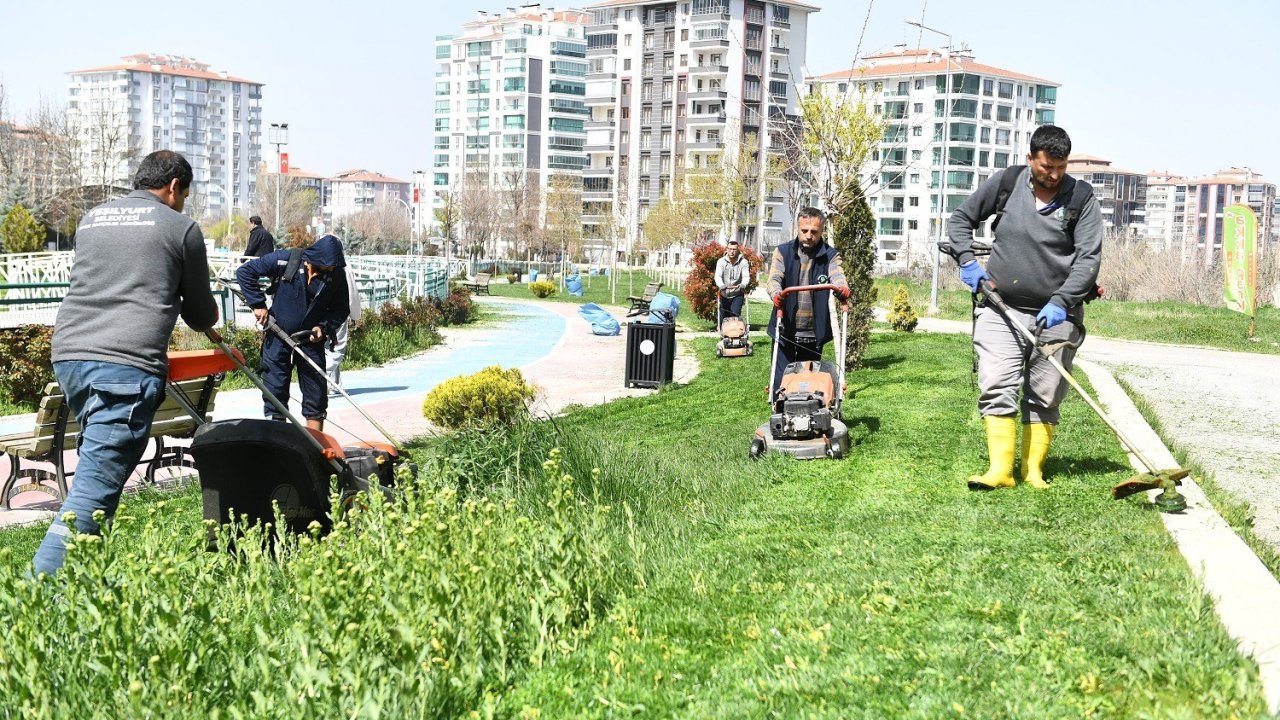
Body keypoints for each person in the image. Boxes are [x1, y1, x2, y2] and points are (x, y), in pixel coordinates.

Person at [33, 150, 219, 576]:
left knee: (96, 473)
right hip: (125, 367)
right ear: (174, 187)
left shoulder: (93, 219)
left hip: (71, 357)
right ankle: (38, 596)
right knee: (93, 493)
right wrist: (209, 318)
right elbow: (199, 314)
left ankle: (83, 581)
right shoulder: (181, 227)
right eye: (184, 195)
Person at [947, 125, 1102, 491]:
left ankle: (1033, 471)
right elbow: (960, 220)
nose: (1054, 175)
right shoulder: (1007, 183)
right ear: (1031, 158)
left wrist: (1062, 301)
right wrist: (968, 261)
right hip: (1001, 309)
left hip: (1057, 315)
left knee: (1046, 393)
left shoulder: (1082, 198)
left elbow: (1088, 259)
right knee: (997, 382)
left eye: (1061, 167)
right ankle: (1000, 471)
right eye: (1047, 166)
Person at [236, 235, 350, 431]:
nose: (332, 269)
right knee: (275, 388)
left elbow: (341, 309)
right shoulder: (285, 259)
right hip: (277, 335)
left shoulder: (335, 275)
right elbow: (245, 272)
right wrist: (258, 304)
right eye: (328, 265)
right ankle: (279, 439)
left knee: (316, 393)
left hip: (310, 339)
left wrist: (323, 328)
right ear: (317, 259)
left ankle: (316, 446)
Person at [765, 206, 851, 395]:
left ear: (822, 231)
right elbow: (774, 279)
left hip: (813, 333)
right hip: (785, 328)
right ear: (798, 229)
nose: (809, 235)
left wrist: (841, 287)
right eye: (805, 230)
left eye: (814, 232)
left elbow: (837, 275)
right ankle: (779, 414)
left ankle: (810, 417)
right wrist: (776, 293)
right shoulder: (783, 252)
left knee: (809, 382)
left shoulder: (830, 255)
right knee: (781, 382)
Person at [325, 262, 363, 396]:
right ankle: (320, 375)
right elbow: (351, 292)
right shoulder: (344, 266)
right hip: (338, 313)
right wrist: (356, 315)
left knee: (324, 348)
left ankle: (333, 384)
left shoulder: (314, 261)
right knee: (337, 349)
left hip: (318, 312)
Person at [714, 239, 750, 322]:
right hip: (724, 294)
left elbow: (746, 276)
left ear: (738, 250)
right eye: (730, 249)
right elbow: (718, 276)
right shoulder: (721, 262)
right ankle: (723, 333)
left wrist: (743, 285)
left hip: (737, 294)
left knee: (735, 317)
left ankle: (735, 334)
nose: (732, 252)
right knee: (722, 320)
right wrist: (721, 285)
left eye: (734, 249)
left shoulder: (743, 262)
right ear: (727, 250)